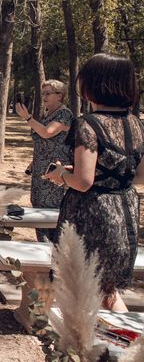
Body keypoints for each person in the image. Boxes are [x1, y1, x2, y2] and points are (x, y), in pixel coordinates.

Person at [45, 53, 144, 312]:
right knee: (107, 290)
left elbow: (83, 181)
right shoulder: (137, 123)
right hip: (125, 213)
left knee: (80, 286)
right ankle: (129, 341)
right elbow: (139, 176)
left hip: (92, 215)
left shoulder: (88, 125)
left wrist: (61, 175)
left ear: (93, 85)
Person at [16, 80, 73, 242]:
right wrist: (33, 162)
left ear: (60, 96)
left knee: (49, 214)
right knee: (38, 210)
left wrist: (27, 117)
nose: (44, 97)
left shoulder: (64, 114)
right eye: (43, 93)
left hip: (55, 173)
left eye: (48, 93)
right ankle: (44, 247)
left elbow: (48, 132)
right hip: (40, 170)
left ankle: (53, 252)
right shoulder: (47, 114)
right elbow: (44, 141)